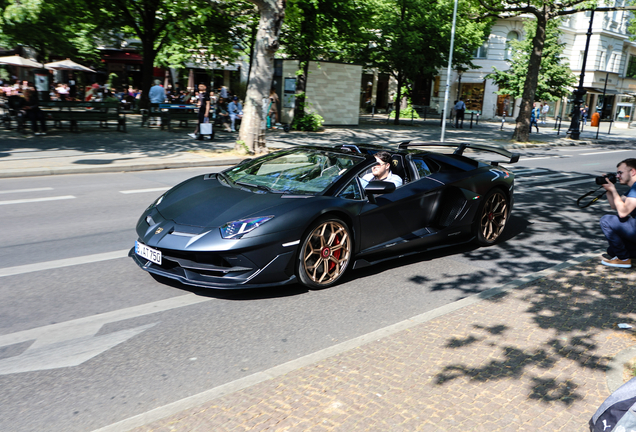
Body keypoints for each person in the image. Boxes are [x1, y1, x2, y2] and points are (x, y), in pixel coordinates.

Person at [599, 158, 636, 268]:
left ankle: (623, 260)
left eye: (620, 173)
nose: (617, 176)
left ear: (633, 172)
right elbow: (615, 205)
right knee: (612, 250)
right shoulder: (632, 189)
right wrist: (608, 189)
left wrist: (614, 190)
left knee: (606, 220)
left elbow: (623, 213)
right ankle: (623, 255)